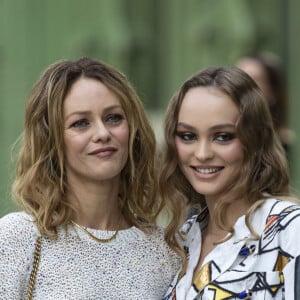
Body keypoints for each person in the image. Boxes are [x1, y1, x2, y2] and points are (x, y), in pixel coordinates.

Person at [0, 57, 180, 299]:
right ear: (52, 139)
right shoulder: (18, 237)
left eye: (113, 118)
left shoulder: (165, 250)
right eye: (80, 123)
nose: (103, 133)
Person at [159, 66, 300, 299]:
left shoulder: (290, 231)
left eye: (223, 136)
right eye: (188, 136)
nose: (202, 153)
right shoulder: (181, 240)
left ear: (253, 140)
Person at [236, 52, 294, 156]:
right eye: (237, 77)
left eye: (254, 79)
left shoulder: (287, 147)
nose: (240, 84)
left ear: (273, 92)